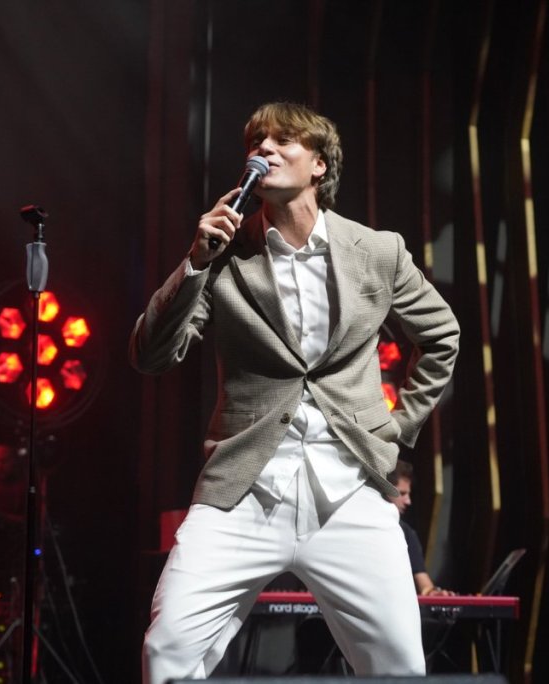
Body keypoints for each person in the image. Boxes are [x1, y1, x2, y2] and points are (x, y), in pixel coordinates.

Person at [130, 101, 460, 682]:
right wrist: (195, 262)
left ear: (319, 165)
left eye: (283, 141)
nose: (264, 150)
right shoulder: (226, 253)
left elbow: (441, 337)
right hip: (243, 491)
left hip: (350, 492)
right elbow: (152, 355)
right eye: (256, 142)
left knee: (400, 668)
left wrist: (395, 427)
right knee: (168, 651)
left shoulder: (377, 250)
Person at [386, 460, 455, 597]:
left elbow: (424, 585)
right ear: (384, 490)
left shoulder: (407, 533)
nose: (408, 501)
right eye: (402, 493)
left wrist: (434, 594)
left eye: (408, 494)